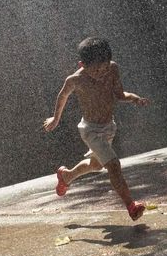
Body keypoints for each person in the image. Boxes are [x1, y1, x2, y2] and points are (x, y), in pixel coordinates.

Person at [43, 37, 148, 221]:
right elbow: (62, 96)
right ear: (82, 64)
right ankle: (131, 206)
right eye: (96, 69)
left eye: (104, 67)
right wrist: (56, 118)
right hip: (90, 130)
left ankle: (66, 176)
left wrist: (134, 98)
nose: (101, 73)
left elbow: (119, 94)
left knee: (96, 165)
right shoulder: (75, 80)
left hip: (108, 127)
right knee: (113, 165)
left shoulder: (113, 69)